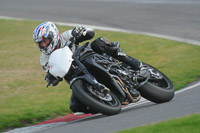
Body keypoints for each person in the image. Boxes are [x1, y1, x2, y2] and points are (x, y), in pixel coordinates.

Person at [33, 21, 142, 113]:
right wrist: (50, 78)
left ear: (53, 35)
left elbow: (90, 33)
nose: (43, 45)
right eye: (40, 43)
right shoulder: (44, 59)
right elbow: (54, 74)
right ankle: (105, 103)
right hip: (75, 76)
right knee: (75, 106)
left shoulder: (66, 36)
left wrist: (81, 31)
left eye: (45, 41)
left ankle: (132, 62)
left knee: (99, 42)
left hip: (87, 58)